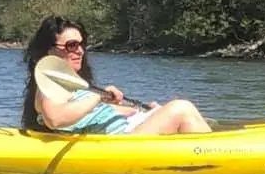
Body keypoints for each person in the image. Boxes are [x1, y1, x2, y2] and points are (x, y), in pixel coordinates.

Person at [21, 16, 212, 135]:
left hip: (126, 129)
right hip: (122, 140)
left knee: (169, 109)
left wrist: (143, 112)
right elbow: (55, 119)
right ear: (50, 51)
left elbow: (91, 115)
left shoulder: (74, 86)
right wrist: (99, 96)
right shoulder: (49, 85)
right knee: (181, 108)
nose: (80, 51)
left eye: (81, 44)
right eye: (72, 45)